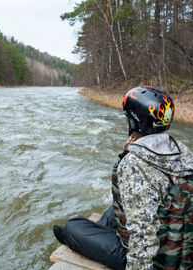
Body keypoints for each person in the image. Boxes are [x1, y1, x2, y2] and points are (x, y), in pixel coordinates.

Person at [53, 86, 193, 270]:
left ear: (135, 121)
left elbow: (143, 237)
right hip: (180, 247)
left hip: (159, 259)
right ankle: (105, 229)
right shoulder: (182, 151)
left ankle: (82, 236)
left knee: (73, 226)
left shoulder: (134, 164)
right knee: (112, 210)